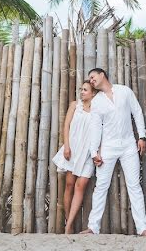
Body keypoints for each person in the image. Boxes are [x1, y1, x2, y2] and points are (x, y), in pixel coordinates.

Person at [82, 67, 146, 236]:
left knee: (134, 185)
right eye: (90, 80)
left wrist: (141, 136)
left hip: (129, 145)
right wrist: (94, 152)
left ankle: (143, 228)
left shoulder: (124, 91)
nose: (91, 80)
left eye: (93, 77)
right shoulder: (97, 101)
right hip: (108, 147)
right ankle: (93, 227)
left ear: (102, 75)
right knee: (101, 186)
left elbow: (137, 112)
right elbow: (95, 128)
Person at [52, 81, 98, 234]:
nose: (82, 92)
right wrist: (66, 146)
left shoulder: (98, 110)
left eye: (85, 90)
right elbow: (66, 126)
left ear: (93, 93)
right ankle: (68, 221)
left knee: (81, 185)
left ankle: (68, 225)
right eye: (81, 89)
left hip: (88, 153)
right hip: (72, 150)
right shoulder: (74, 105)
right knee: (69, 185)